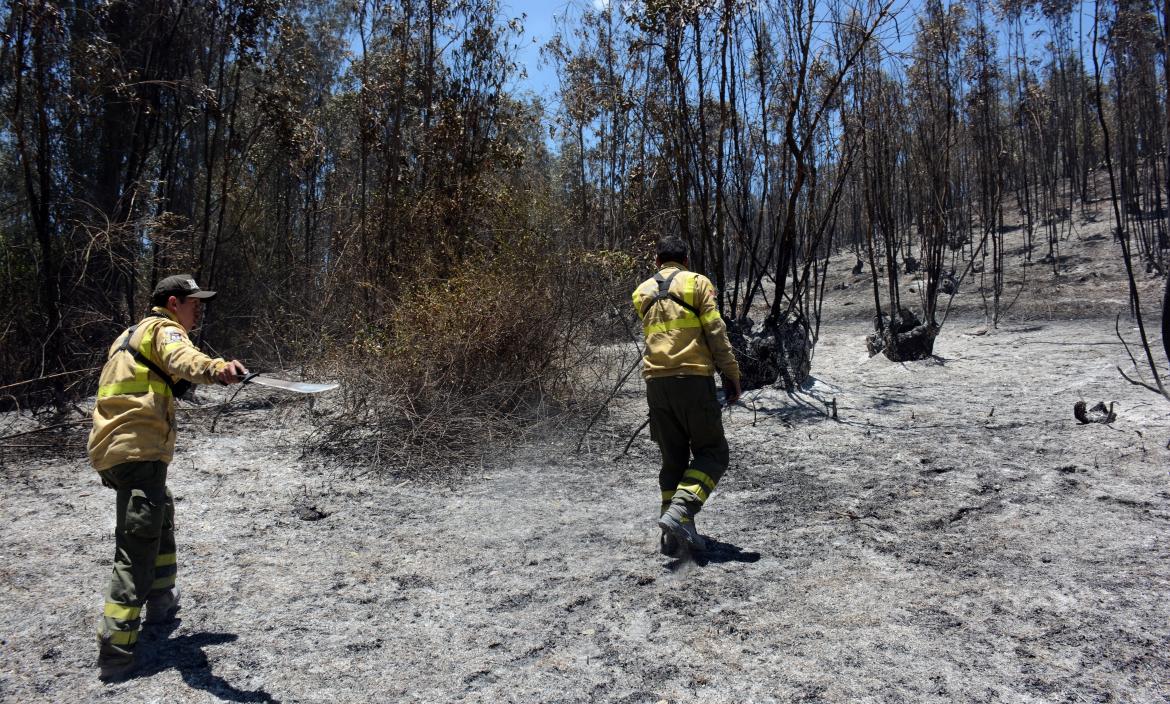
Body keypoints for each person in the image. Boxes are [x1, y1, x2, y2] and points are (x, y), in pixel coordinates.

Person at [88, 274, 247, 680]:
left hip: (117, 453)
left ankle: (162, 602)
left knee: (161, 513)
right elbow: (184, 360)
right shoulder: (164, 329)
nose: (200, 311)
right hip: (137, 452)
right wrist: (218, 368)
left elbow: (166, 378)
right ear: (174, 303)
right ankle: (117, 653)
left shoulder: (131, 336)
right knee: (136, 547)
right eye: (195, 304)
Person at [632, 236, 741, 557]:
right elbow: (716, 331)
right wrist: (731, 373)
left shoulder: (641, 292)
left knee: (673, 459)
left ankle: (674, 536)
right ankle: (681, 512)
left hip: (656, 384)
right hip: (693, 380)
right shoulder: (697, 283)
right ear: (686, 260)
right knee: (714, 453)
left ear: (657, 261)